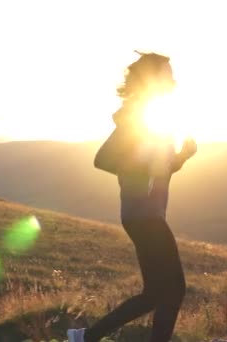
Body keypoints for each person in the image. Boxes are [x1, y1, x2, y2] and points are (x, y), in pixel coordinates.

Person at [68, 51, 197, 342]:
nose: (173, 78)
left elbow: (158, 170)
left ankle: (86, 337)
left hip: (143, 214)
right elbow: (102, 160)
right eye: (167, 73)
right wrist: (141, 171)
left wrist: (182, 157)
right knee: (174, 290)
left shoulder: (151, 114)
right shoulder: (137, 117)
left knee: (154, 294)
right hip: (145, 215)